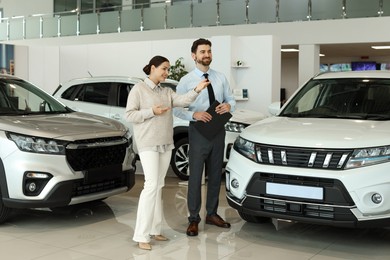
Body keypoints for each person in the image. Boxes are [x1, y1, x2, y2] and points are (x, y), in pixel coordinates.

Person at [124, 55, 209, 250]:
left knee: (159, 185)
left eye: (168, 69)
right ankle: (141, 234)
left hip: (165, 143)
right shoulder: (139, 89)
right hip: (148, 144)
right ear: (152, 68)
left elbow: (182, 100)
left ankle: (154, 229)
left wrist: (197, 89)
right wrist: (151, 112)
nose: (167, 72)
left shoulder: (166, 91)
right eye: (164, 68)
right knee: (151, 185)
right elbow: (129, 115)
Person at [174, 38, 236, 236]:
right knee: (195, 176)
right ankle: (193, 218)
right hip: (198, 131)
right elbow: (177, 108)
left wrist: (229, 106)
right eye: (202, 52)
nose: (206, 54)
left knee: (216, 174)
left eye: (209, 51)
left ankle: (212, 213)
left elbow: (231, 99)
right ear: (194, 55)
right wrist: (194, 114)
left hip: (218, 131)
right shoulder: (186, 81)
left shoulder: (220, 77)